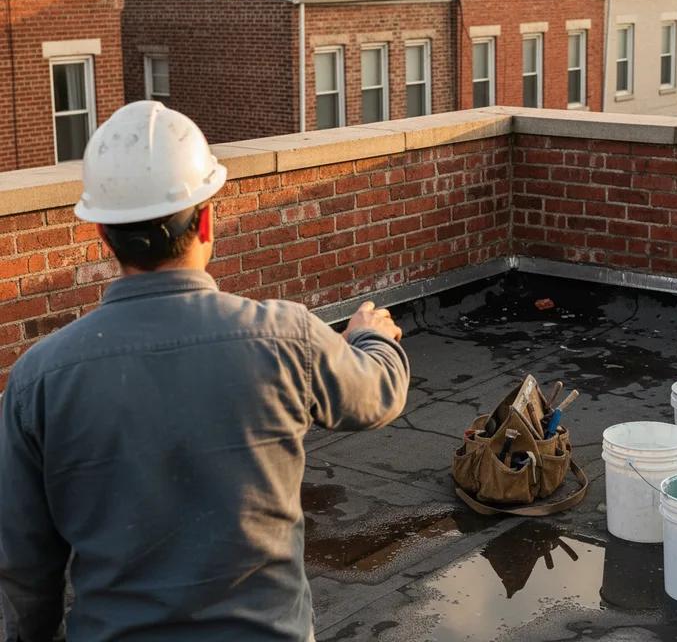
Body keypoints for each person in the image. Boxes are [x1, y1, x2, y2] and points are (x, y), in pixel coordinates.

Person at [0, 101, 409, 642]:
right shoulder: (285, 336)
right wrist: (370, 333)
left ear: (102, 232)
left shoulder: (38, 379)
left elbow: (24, 565)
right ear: (208, 218)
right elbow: (378, 393)